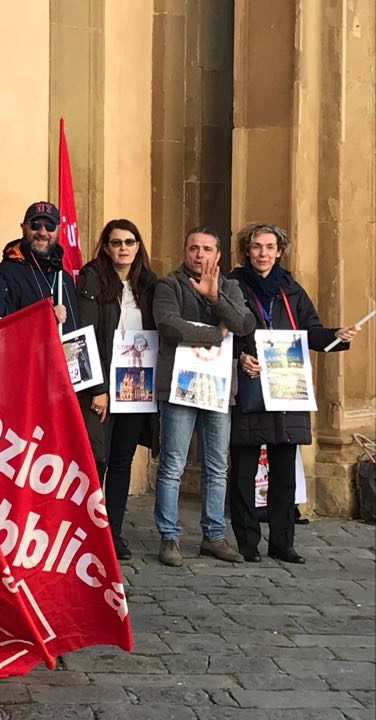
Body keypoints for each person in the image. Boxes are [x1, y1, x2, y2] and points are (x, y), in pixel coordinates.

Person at [228, 223, 358, 564]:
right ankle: (246, 542)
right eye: (256, 247)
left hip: (286, 388)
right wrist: (240, 355)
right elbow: (223, 331)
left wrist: (337, 335)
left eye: (270, 247)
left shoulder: (292, 289)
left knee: (284, 471)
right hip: (249, 385)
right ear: (247, 250)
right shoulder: (233, 285)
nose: (263, 253)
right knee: (243, 469)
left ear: (279, 251)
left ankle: (283, 542)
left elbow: (311, 330)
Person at [152, 226, 255, 567]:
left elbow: (243, 325)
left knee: (216, 466)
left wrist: (214, 299)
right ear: (185, 251)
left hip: (218, 389)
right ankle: (169, 536)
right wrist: (215, 333)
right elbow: (169, 325)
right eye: (193, 247)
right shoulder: (168, 285)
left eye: (207, 249)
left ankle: (213, 535)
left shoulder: (231, 287)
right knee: (172, 465)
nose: (199, 254)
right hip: (179, 388)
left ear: (218, 255)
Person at [76, 219, 158, 561]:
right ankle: (90, 530)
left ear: (138, 246)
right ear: (105, 247)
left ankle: (115, 532)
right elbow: (85, 336)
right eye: (115, 242)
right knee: (99, 458)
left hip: (139, 384)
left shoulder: (150, 285)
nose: (122, 248)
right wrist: (97, 387)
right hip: (103, 385)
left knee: (123, 458)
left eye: (128, 242)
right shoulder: (92, 279)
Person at [0, 201, 78, 331]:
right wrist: (46, 318)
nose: (43, 232)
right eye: (35, 225)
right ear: (23, 228)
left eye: (50, 226)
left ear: (58, 231)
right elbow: (2, 330)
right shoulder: (5, 273)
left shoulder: (65, 278)